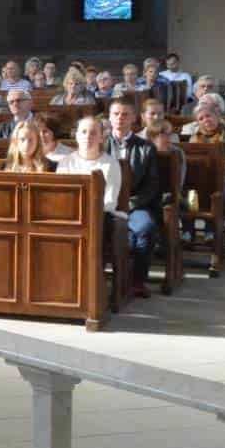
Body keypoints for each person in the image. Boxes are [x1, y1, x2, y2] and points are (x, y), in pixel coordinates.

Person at [105, 97, 163, 298]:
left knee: (145, 228)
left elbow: (152, 185)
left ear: (133, 118)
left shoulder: (146, 148)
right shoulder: (100, 143)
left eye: (125, 114)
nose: (120, 118)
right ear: (109, 117)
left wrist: (130, 204)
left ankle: (137, 280)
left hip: (135, 204)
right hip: (104, 204)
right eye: (116, 114)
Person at [183, 97, 225, 200]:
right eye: (201, 119)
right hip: (202, 176)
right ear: (198, 123)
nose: (206, 120)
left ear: (217, 116)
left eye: (208, 116)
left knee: (217, 190)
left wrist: (221, 170)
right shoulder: (194, 137)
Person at [57, 114, 123, 215]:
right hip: (70, 213)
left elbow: (110, 199)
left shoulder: (111, 164)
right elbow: (60, 194)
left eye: (93, 133)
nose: (88, 136)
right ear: (76, 136)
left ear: (101, 138)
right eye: (84, 132)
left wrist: (92, 213)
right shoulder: (65, 162)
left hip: (100, 215)